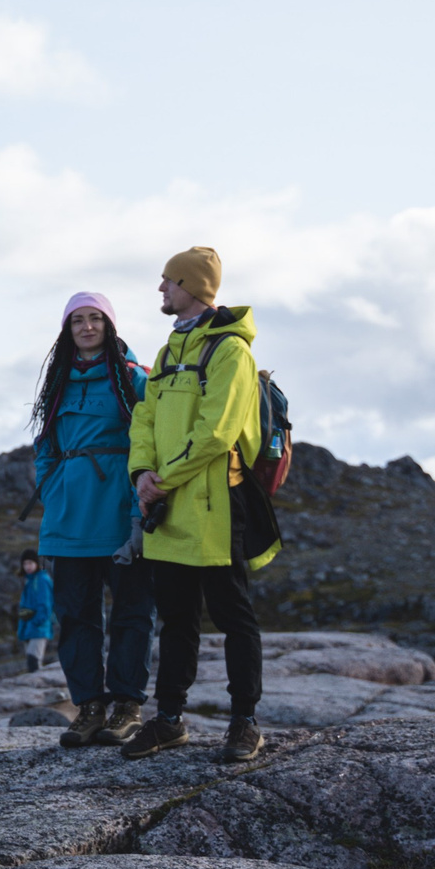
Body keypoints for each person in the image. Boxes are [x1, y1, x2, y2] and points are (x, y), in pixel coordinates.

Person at [124, 247, 275, 764]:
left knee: (234, 616)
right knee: (177, 618)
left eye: (169, 280)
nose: (161, 289)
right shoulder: (169, 351)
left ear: (193, 285)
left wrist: (162, 479)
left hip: (214, 507)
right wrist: (142, 473)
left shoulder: (231, 350)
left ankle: (244, 723)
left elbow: (217, 432)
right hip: (166, 505)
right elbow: (144, 417)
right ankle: (168, 720)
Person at [30, 291, 159, 749]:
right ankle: (88, 707)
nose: (87, 327)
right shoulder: (57, 383)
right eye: (77, 321)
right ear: (67, 330)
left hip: (122, 516)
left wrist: (137, 515)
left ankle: (127, 706)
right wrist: (52, 488)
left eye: (95, 319)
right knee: (76, 616)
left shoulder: (135, 380)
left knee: (131, 614)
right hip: (68, 520)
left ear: (109, 325)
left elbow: (151, 445)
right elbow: (44, 446)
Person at [15, 552, 54, 676]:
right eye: (25, 563)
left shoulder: (41, 580)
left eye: (30, 563)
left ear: (37, 564)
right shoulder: (30, 581)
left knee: (34, 660)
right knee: (31, 660)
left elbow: (45, 605)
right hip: (29, 627)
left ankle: (39, 691)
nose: (28, 566)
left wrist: (36, 622)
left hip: (38, 627)